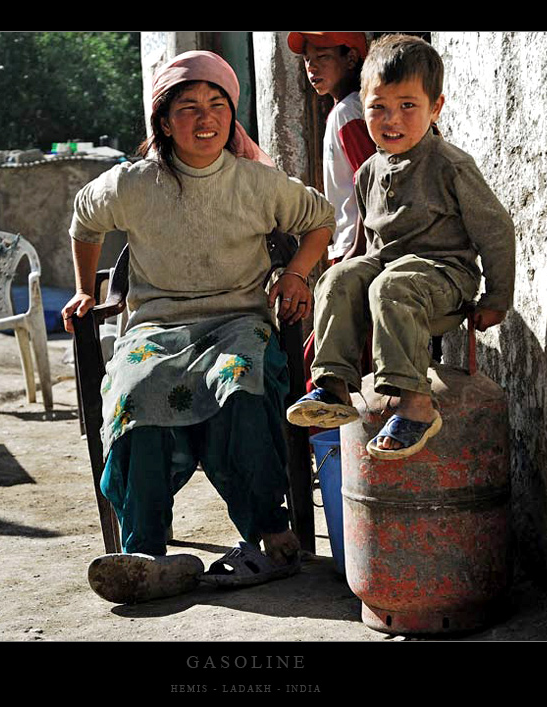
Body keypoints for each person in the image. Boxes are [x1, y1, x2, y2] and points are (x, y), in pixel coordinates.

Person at [62, 50, 335, 604]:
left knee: (240, 383)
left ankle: (269, 537)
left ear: (232, 118)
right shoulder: (133, 184)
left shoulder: (257, 183)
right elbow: (83, 219)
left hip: (238, 322)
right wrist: (87, 290)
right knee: (136, 394)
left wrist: (298, 274)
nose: (205, 118)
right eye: (188, 108)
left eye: (217, 105)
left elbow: (320, 218)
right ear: (164, 121)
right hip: (156, 328)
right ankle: (145, 553)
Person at [286, 34, 515, 459]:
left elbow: (496, 229)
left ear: (436, 108)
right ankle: (333, 386)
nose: (392, 119)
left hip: (446, 277)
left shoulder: (450, 165)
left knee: (390, 286)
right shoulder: (368, 173)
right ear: (364, 105)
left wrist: (497, 297)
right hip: (391, 273)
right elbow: (374, 245)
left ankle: (416, 404)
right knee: (338, 276)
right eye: (378, 107)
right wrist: (355, 287)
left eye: (408, 106)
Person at [287, 32, 375, 263]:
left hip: (358, 248)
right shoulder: (347, 109)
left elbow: (370, 181)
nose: (312, 67)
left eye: (323, 56)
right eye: (307, 59)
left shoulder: (348, 112)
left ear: (351, 58)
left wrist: (357, 249)